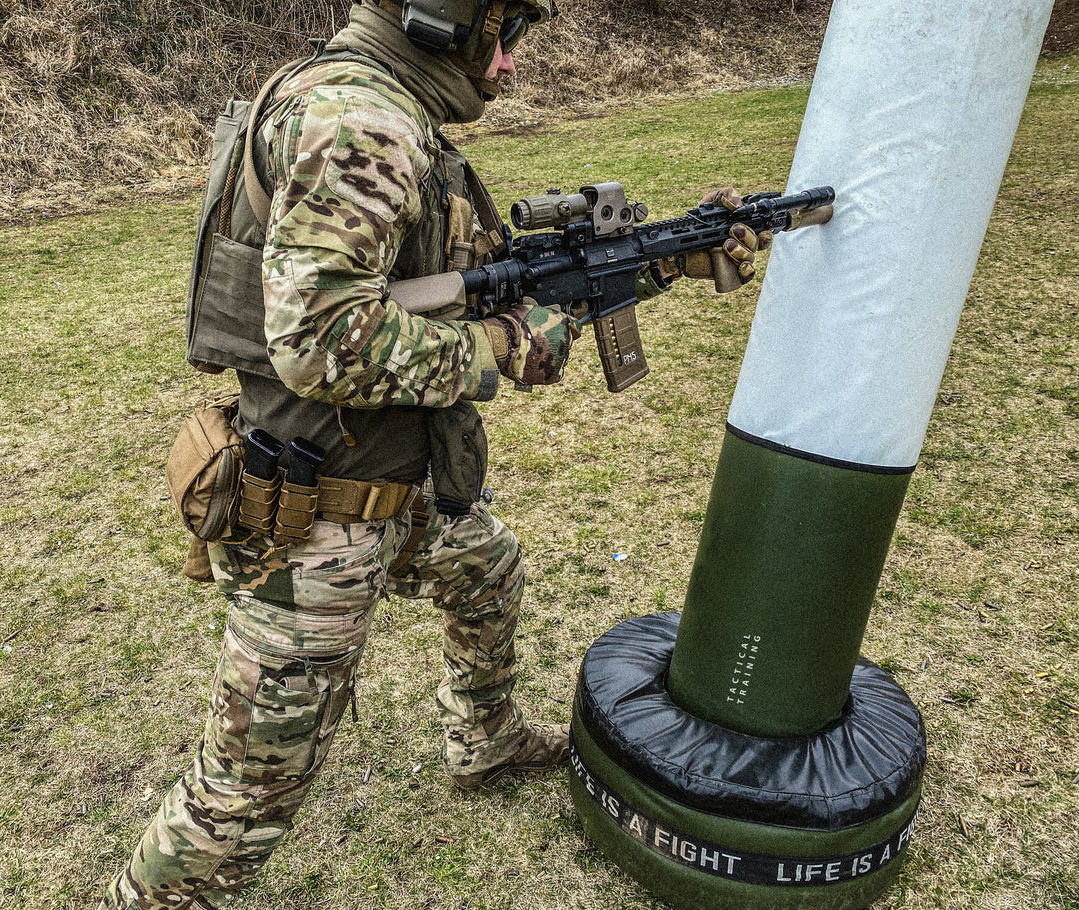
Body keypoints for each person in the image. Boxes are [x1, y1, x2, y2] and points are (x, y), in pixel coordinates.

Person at [101, 0, 763, 906]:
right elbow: (321, 336)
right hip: (320, 522)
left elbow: (494, 282)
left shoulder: (384, 108)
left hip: (400, 488)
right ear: (448, 23)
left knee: (487, 569)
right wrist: (494, 350)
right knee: (244, 797)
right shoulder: (363, 121)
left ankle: (483, 738)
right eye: (509, 36)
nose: (513, 66)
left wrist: (662, 259)